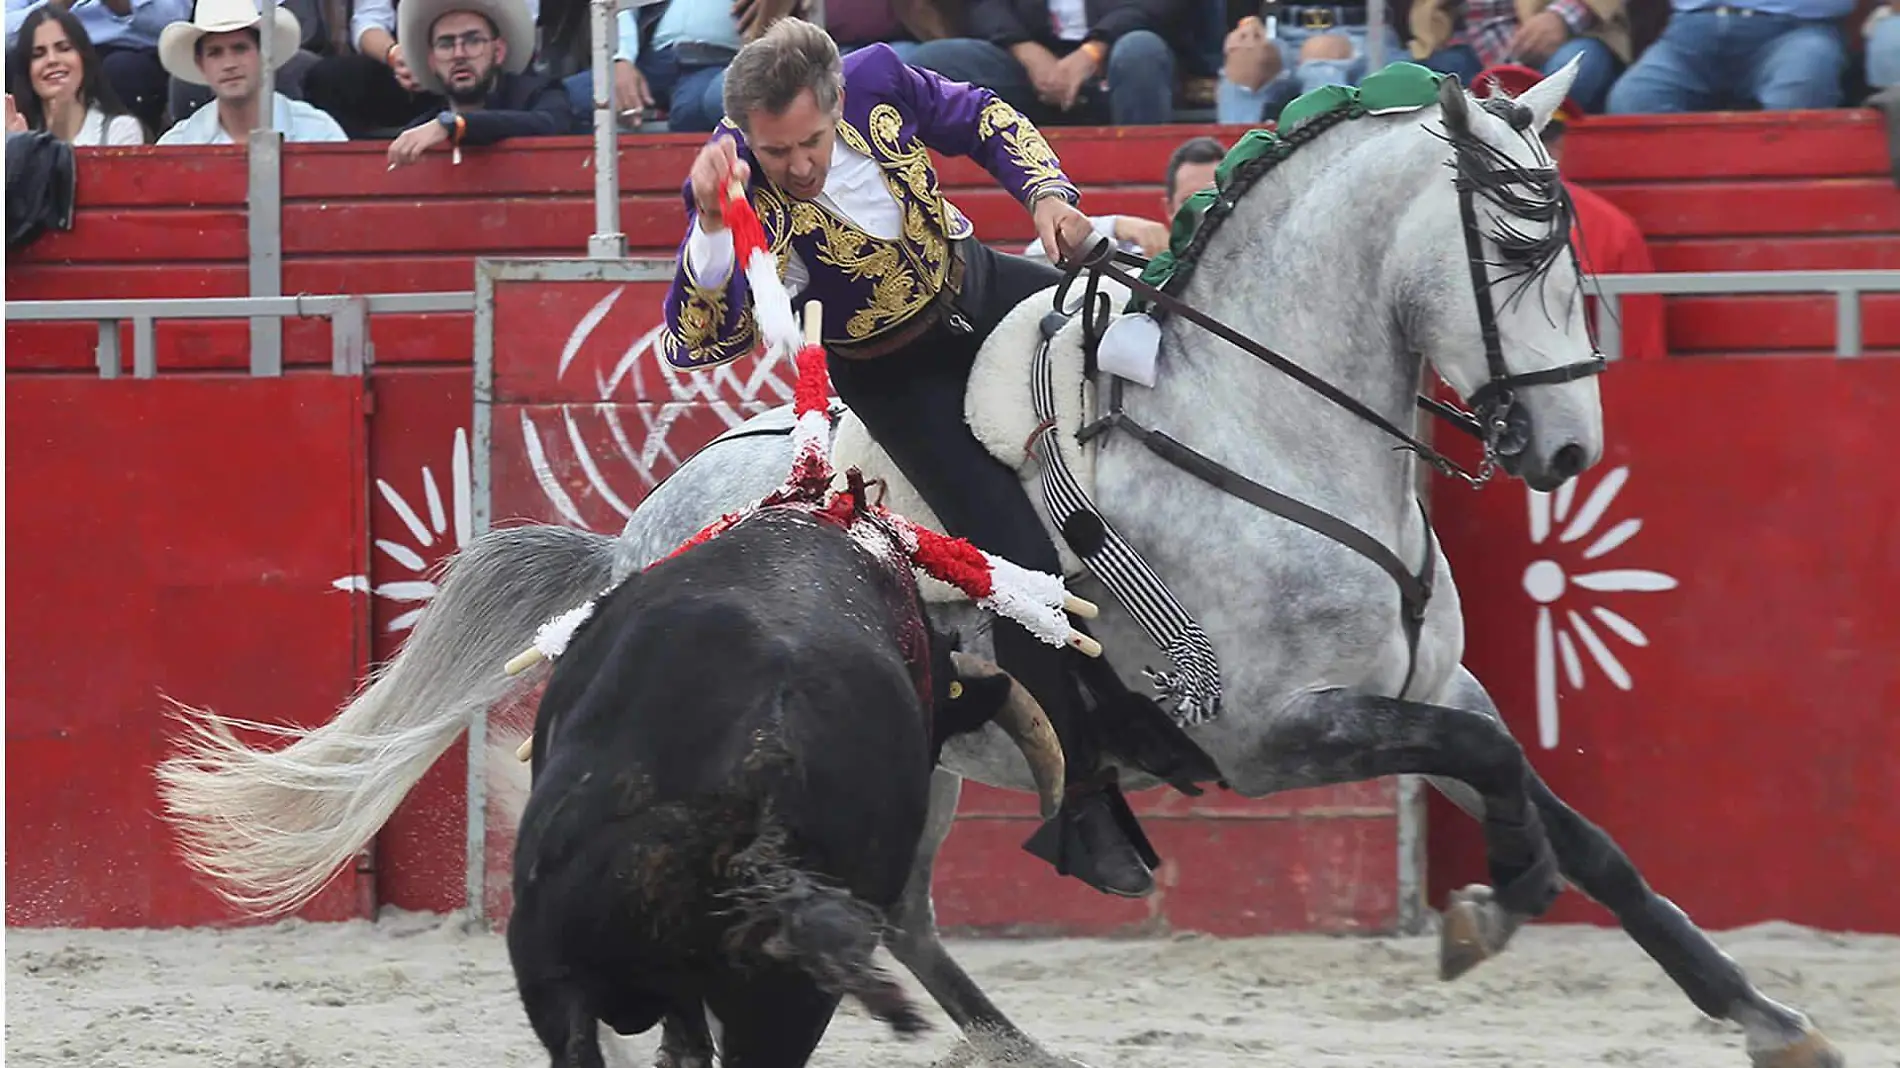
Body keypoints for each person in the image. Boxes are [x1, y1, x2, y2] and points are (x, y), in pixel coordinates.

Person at [659, 17, 1161, 898]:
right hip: (898, 380)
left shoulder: (882, 75)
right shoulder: (731, 180)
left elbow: (983, 117)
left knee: (1149, 338)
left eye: (812, 141)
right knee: (1019, 561)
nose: (801, 166)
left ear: (838, 102)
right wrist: (708, 224)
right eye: (779, 152)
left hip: (985, 283)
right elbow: (701, 340)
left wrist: (1045, 194)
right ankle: (1079, 799)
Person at [1478, 63, 1666, 360]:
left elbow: (1637, 357)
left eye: (1542, 135)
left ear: (1558, 144)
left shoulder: (1610, 231)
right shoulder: (1438, 223)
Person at [384, 0, 572, 168]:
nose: (459, 54)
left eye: (473, 40)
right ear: (432, 61)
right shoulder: (422, 128)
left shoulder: (538, 93)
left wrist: (458, 125)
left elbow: (552, 125)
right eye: (446, 44)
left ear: (498, 51)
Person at [153, 0, 346, 144]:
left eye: (240, 48)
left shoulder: (317, 131)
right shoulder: (178, 144)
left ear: (264, 55)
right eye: (215, 53)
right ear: (201, 64)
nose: (229, 64)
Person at [1018, 134, 1224, 263]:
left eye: (1212, 198)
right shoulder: (1140, 257)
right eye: (1189, 201)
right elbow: (1036, 255)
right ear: (1169, 209)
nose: (1202, 211)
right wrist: (1116, 225)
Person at [6, 6, 145, 144]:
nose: (52, 60)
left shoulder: (120, 129)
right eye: (38, 55)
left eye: (64, 48)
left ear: (84, 59)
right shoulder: (14, 132)